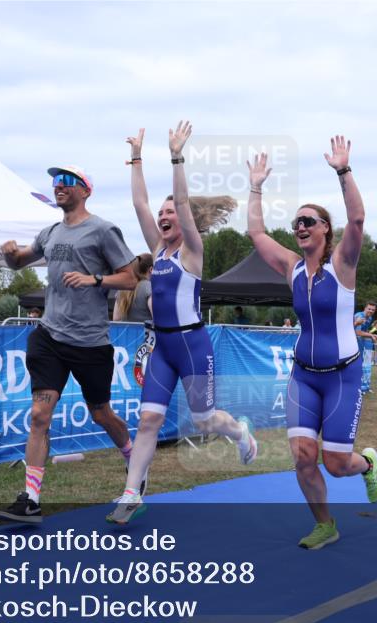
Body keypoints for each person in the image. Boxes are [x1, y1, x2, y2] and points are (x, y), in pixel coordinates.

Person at [109, 122, 257, 524]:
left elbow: (185, 206)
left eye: (169, 212)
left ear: (184, 218)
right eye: (162, 214)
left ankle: (241, 434)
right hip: (163, 348)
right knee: (149, 420)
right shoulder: (157, 249)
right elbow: (139, 204)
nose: (162, 216)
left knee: (204, 419)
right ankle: (130, 493)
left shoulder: (192, 250)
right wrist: (136, 158)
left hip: (192, 345)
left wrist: (176, 156)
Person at [246, 136, 377, 550]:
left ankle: (367, 464)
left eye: (310, 220)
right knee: (304, 456)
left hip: (343, 376)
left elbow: (358, 220)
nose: (301, 226)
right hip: (304, 377)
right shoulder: (290, 266)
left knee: (336, 463)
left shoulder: (342, 264)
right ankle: (325, 524)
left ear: (325, 228)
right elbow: (255, 232)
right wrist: (256, 186)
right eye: (297, 223)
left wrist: (343, 171)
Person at [0, 164, 138, 524]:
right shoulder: (50, 232)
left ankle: (133, 460)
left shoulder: (103, 230)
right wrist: (9, 255)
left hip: (90, 342)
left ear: (85, 190)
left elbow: (131, 276)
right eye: (56, 182)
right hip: (49, 336)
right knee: (39, 414)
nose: (58, 186)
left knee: (101, 414)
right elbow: (18, 263)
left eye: (66, 182)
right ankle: (30, 500)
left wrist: (94, 279)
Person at [112, 253, 154, 322]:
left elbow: (116, 319)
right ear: (151, 269)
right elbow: (157, 318)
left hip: (126, 332)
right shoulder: (149, 287)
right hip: (146, 332)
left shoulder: (122, 289)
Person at [354, 301, 377, 392]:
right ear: (365, 308)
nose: (371, 311)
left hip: (359, 341)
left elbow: (364, 331)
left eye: (373, 310)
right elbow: (357, 332)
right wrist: (371, 335)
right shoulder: (360, 316)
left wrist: (370, 335)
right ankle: (357, 386)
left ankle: (363, 385)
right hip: (351, 342)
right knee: (356, 363)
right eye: (369, 309)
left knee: (362, 363)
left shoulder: (370, 318)